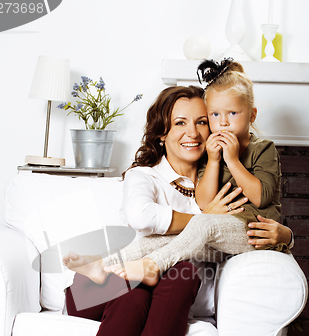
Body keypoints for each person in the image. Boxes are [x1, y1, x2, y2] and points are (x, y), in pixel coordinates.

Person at [44, 85, 293, 336]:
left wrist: (284, 235)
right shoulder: (146, 175)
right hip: (98, 290)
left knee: (172, 277)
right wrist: (201, 217)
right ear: (162, 132)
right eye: (180, 123)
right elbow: (142, 216)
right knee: (161, 276)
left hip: (162, 289)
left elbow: (256, 219)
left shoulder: (224, 177)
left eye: (202, 120)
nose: (194, 131)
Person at [101, 59, 291, 286]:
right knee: (152, 241)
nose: (223, 124)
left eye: (232, 113)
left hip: (250, 232)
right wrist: (213, 159)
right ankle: (100, 267)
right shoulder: (207, 155)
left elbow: (262, 197)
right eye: (214, 116)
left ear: (251, 115)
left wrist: (231, 160)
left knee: (202, 226)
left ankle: (152, 265)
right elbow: (203, 201)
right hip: (214, 241)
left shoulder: (262, 148)